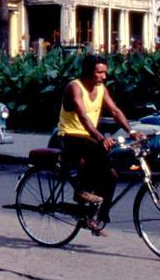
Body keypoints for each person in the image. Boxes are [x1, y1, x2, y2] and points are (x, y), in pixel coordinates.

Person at [57, 54, 140, 236]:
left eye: (105, 73)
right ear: (88, 72)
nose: (103, 76)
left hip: (89, 137)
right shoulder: (75, 87)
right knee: (97, 150)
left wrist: (131, 131)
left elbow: (115, 111)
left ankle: (97, 218)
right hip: (70, 135)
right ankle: (81, 191)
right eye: (99, 73)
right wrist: (102, 138)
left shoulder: (101, 88)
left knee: (112, 175)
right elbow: (84, 117)